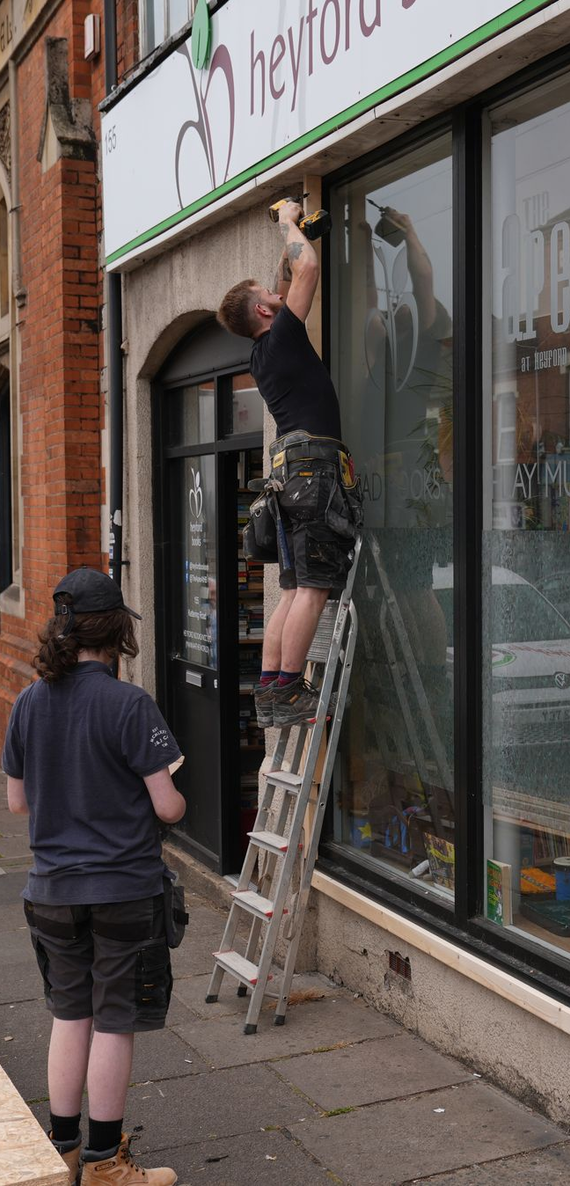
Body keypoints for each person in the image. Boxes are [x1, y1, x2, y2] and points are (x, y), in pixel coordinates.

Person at [3, 568, 186, 1185]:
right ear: (115, 635)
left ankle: (64, 1154)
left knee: (69, 1016)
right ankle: (108, 1165)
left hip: (51, 891)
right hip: (123, 891)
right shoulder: (129, 704)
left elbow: (17, 804)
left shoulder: (28, 702)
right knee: (113, 1020)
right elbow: (167, 807)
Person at [216, 199, 361, 728]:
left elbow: (286, 270)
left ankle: (274, 688)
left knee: (295, 589)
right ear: (263, 312)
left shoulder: (262, 353)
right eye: (270, 296)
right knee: (315, 589)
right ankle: (292, 688)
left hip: (289, 475)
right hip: (315, 473)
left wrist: (292, 229)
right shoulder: (282, 336)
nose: (279, 294)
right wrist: (285, 222)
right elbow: (309, 267)